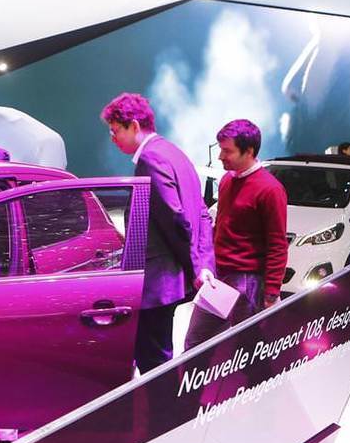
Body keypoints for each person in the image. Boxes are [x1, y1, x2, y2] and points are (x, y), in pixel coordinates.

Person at [101, 93, 215, 373]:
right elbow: (200, 212)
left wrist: (195, 268)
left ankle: (165, 402)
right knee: (157, 354)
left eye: (115, 131)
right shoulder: (174, 152)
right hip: (169, 279)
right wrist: (203, 263)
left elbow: (174, 219)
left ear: (134, 126)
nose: (113, 139)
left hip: (158, 283)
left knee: (153, 361)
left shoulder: (150, 158)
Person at [185, 119, 288, 350]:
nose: (220, 156)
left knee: (248, 348)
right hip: (220, 278)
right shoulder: (227, 180)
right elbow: (220, 228)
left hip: (248, 282)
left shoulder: (270, 189)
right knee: (195, 343)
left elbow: (277, 244)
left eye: (227, 151)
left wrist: (271, 293)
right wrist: (208, 265)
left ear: (249, 151)